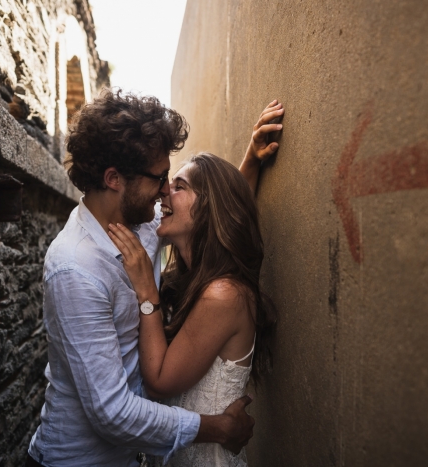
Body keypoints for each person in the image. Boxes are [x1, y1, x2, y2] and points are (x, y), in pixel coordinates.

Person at [27, 89, 284, 466]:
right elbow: (112, 415)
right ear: (114, 178)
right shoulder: (75, 269)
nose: (165, 191)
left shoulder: (144, 225)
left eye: (173, 181)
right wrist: (217, 428)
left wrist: (250, 162)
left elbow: (210, 220)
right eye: (160, 178)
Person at [108, 151, 277, 467]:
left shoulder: (223, 294)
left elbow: (159, 380)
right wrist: (251, 162)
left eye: (179, 186)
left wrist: (146, 292)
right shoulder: (197, 281)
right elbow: (225, 200)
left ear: (208, 209)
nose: (165, 192)